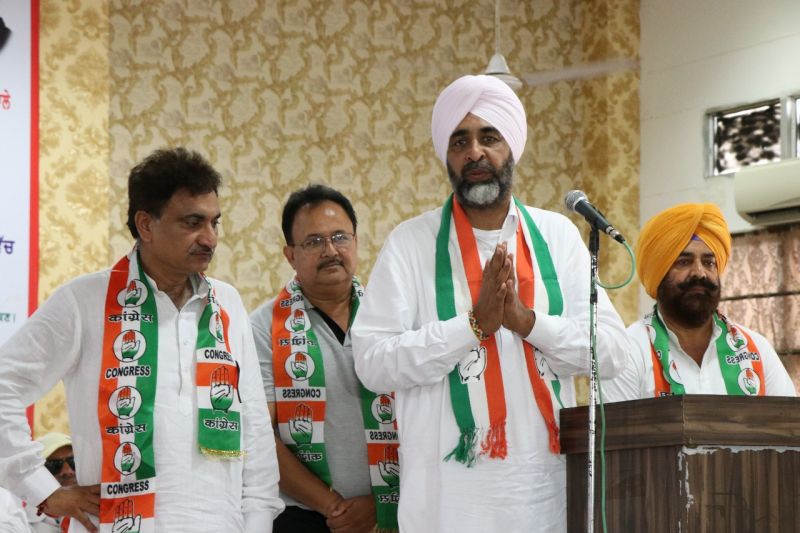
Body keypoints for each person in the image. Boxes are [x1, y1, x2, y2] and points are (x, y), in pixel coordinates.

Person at [350, 75, 630, 532]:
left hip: (543, 496)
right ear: (447, 156)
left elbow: (613, 353)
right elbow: (373, 364)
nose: (474, 152)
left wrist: (528, 322)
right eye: (459, 141)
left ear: (511, 148)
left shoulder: (557, 236)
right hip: (446, 505)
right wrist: (472, 326)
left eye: (489, 137)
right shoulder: (410, 243)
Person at [0, 148, 283, 532]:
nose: (210, 238)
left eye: (214, 223)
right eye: (193, 223)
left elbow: (255, 430)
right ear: (146, 225)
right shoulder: (84, 300)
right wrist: (43, 489)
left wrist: (259, 522)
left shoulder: (227, 302)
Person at [250, 184, 398, 533]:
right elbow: (258, 436)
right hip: (303, 516)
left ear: (356, 242)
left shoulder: (391, 316)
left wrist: (378, 505)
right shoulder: (262, 327)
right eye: (314, 241)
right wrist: (333, 507)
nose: (331, 250)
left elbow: (424, 418)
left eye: (340, 237)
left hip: (392, 510)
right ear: (290, 255)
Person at [602, 203, 796, 400]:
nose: (699, 272)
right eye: (684, 262)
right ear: (658, 274)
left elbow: (788, 418)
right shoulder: (627, 352)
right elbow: (617, 422)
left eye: (708, 262)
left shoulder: (755, 348)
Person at [24, 433, 76, 532]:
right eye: (54, 465)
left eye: (73, 461)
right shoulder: (19, 519)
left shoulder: (102, 507)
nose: (67, 471)